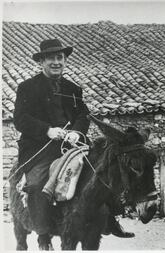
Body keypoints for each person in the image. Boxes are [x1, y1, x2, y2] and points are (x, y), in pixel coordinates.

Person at [13, 39, 134, 243]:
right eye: (51, 58)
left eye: (60, 58)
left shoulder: (73, 88)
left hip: (72, 145)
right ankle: (43, 229)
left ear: (65, 60)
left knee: (104, 173)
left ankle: (110, 220)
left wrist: (77, 132)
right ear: (41, 61)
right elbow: (20, 119)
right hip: (40, 148)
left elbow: (82, 114)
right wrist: (48, 130)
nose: (56, 62)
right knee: (35, 186)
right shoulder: (27, 88)